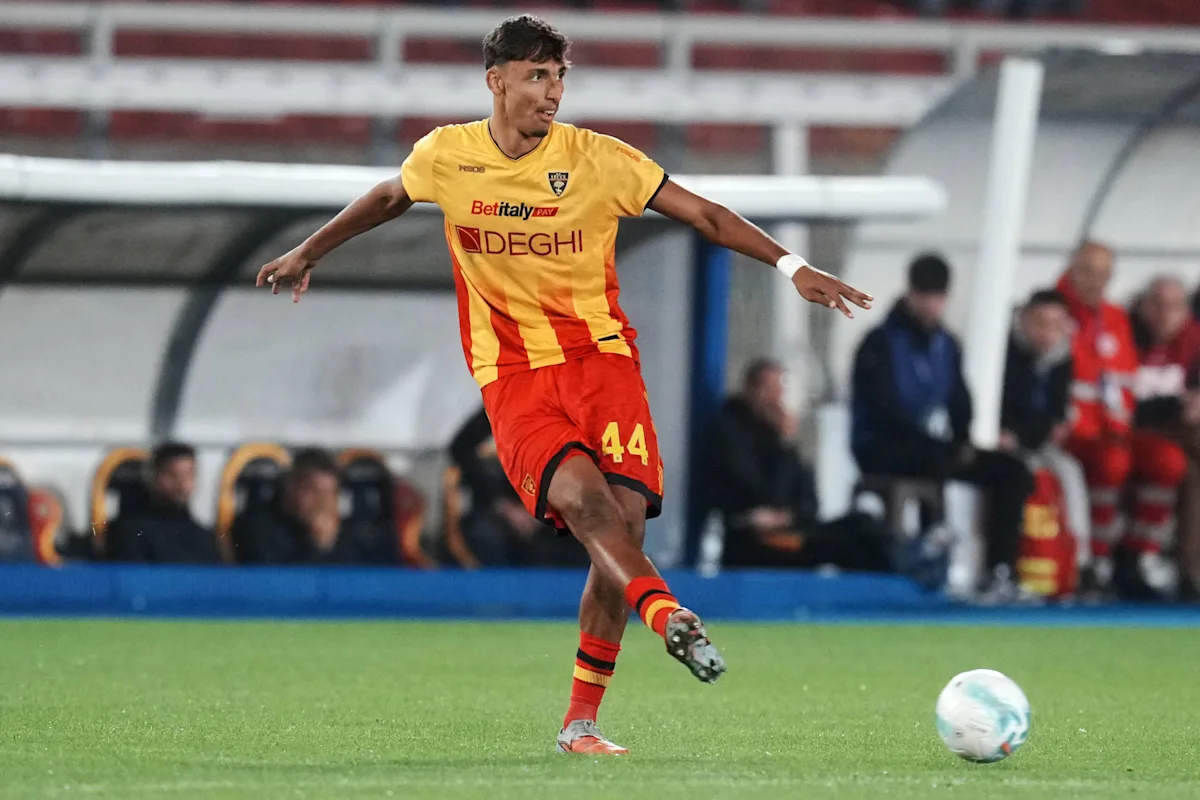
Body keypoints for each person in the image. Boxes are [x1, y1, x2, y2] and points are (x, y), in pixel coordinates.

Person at [254, 15, 871, 755]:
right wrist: (309, 250)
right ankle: (668, 616)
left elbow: (704, 214)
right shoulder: (448, 155)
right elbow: (389, 197)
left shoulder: (598, 160)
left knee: (624, 528)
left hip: (602, 363)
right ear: (497, 81)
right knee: (584, 506)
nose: (552, 92)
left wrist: (792, 266)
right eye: (537, 76)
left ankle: (581, 723)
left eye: (560, 77)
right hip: (513, 376)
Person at [851, 253, 1033, 597]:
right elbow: (884, 410)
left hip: (934, 448)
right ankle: (931, 544)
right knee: (934, 459)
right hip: (880, 446)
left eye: (937, 296)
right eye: (925, 295)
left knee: (1012, 470)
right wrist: (940, 445)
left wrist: (962, 441)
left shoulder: (946, 345)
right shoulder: (880, 344)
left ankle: (999, 571)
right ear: (911, 293)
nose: (931, 305)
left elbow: (960, 400)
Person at [706, 358, 891, 572]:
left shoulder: (775, 433)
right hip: (753, 541)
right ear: (751, 390)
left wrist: (791, 514)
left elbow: (808, 499)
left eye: (779, 391)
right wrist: (783, 446)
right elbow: (764, 494)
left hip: (792, 528)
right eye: (769, 390)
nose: (775, 399)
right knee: (844, 547)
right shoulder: (731, 433)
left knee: (863, 527)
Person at [1056, 242, 1139, 592]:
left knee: (1167, 461)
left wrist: (1119, 426)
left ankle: (1138, 559)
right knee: (1111, 463)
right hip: (1066, 432)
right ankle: (1093, 561)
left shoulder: (1115, 318)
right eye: (1088, 271)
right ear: (1071, 269)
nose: (1096, 281)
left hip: (1109, 430)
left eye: (1104, 274)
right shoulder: (1052, 311)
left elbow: (1124, 379)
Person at [998, 289, 1091, 573]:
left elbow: (1056, 415)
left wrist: (1040, 430)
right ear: (1024, 320)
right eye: (1040, 323)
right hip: (1007, 442)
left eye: (1055, 325)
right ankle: (1017, 556)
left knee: (1070, 472)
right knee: (1022, 474)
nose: (1047, 333)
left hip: (1037, 441)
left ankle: (1078, 560)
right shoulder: (1005, 353)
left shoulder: (1062, 358)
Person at [1123, 276, 1200, 597]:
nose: (1165, 314)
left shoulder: (1192, 341)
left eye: (1174, 306)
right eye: (1157, 304)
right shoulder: (1124, 336)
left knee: (1193, 474)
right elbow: (1126, 403)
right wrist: (1176, 404)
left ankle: (1190, 568)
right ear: (1142, 305)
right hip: (1132, 430)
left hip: (1179, 433)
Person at [450, 406, 588, 567]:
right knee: (486, 536)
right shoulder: (501, 407)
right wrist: (503, 505)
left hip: (554, 507)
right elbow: (461, 449)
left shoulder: (570, 411)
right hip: (500, 507)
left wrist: (546, 509)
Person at [105, 443, 220, 564]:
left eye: (188, 475)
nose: (182, 484)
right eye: (173, 475)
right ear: (153, 477)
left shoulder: (206, 538)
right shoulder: (130, 532)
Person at [231, 448, 343, 565]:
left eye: (330, 494)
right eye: (316, 492)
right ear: (291, 486)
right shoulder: (258, 526)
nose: (323, 503)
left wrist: (328, 544)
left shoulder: (345, 533)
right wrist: (317, 545)